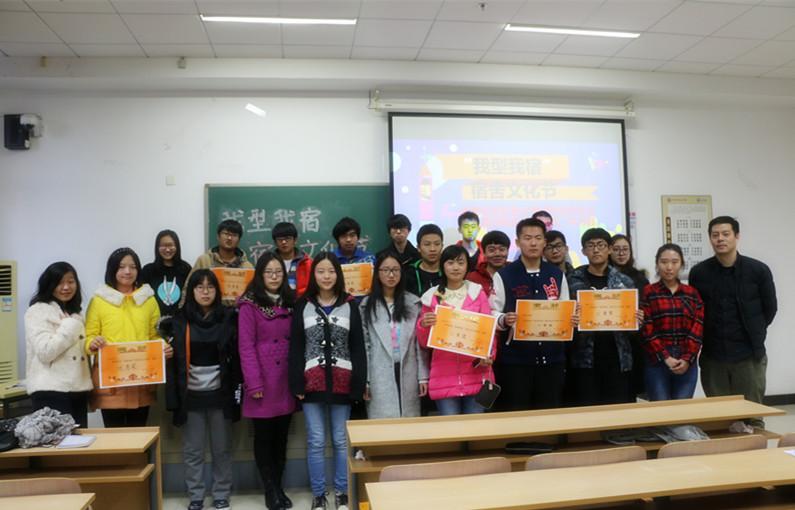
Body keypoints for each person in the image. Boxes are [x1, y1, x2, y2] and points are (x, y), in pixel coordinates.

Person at [288, 252, 366, 510]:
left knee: (341, 441)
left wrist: (358, 384)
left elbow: (358, 347)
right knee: (316, 440)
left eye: (331, 271)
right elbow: (296, 347)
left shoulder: (350, 304)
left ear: (338, 274)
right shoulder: (303, 305)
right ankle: (319, 495)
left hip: (343, 383)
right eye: (321, 271)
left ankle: (342, 493)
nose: (326, 276)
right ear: (314, 275)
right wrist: (296, 383)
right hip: (311, 384)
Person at [689, 216, 777, 427]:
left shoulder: (758, 270)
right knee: (721, 418)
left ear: (737, 236)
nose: (720, 239)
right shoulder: (699, 273)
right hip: (713, 356)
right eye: (715, 235)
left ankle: (755, 448)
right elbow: (695, 311)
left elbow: (770, 309)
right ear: (710, 239)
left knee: (752, 416)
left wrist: (755, 330)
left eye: (725, 234)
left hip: (748, 355)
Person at [167, 269, 240, 510]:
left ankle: (221, 494)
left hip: (221, 393)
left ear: (217, 291)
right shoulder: (180, 320)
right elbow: (172, 358)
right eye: (200, 287)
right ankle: (196, 496)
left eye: (210, 287)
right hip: (191, 395)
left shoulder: (228, 317)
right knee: (193, 450)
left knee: (222, 449)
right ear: (192, 291)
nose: (205, 292)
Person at [490, 219, 571, 411]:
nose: (533, 243)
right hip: (516, 361)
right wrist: (504, 319)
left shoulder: (556, 274)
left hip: (552, 359)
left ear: (544, 242)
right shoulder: (504, 275)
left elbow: (565, 307)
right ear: (518, 242)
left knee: (549, 412)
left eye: (538, 238)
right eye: (527, 238)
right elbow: (491, 312)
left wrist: (571, 319)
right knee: (518, 413)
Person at [238, 253, 297, 510]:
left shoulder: (291, 302)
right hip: (262, 380)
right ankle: (270, 489)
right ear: (260, 275)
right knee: (263, 437)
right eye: (268, 272)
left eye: (278, 272)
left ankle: (279, 486)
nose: (274, 277)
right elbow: (246, 347)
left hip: (286, 380)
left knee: (281, 438)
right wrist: (254, 384)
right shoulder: (249, 305)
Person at [85, 247, 170, 427]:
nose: (127, 271)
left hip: (141, 382)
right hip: (111, 385)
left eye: (133, 267)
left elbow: (154, 335)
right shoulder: (99, 301)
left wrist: (163, 346)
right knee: (115, 437)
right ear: (112, 269)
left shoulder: (148, 300)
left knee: (139, 436)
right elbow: (88, 336)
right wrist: (92, 343)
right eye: (122, 267)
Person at [416, 245, 496, 415]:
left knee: (475, 428)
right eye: (450, 262)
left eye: (460, 262)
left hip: (476, 374)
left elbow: (489, 331)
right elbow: (424, 343)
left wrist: (489, 355)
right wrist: (423, 326)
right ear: (442, 266)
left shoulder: (477, 293)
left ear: (467, 266)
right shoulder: (432, 297)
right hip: (444, 376)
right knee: (450, 428)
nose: (455, 267)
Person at [567, 229, 642, 406]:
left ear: (609, 249)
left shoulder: (624, 281)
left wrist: (637, 320)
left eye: (601, 245)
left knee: (617, 409)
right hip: (584, 357)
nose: (596, 250)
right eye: (590, 246)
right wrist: (570, 319)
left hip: (617, 356)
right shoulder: (572, 280)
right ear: (583, 251)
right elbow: (565, 317)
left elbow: (632, 327)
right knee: (588, 409)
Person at [24, 262, 92, 427]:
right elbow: (45, 352)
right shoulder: (38, 311)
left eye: (71, 281)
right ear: (49, 284)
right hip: (50, 391)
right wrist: (70, 326)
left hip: (77, 389)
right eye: (60, 282)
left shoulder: (77, 314)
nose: (66, 287)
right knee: (57, 442)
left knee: (79, 441)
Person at [360, 252, 427, 418]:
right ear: (377, 273)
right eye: (385, 270)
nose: (391, 275)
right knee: (383, 424)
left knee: (409, 423)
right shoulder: (366, 305)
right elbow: (365, 346)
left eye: (395, 270)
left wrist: (422, 377)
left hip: (409, 369)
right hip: (378, 371)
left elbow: (418, 344)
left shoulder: (413, 303)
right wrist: (365, 380)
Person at [641, 244, 704, 401]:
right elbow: (647, 328)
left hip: (686, 358)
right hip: (657, 359)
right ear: (657, 264)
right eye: (664, 262)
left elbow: (698, 327)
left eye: (674, 262)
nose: (669, 267)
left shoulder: (692, 293)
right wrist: (665, 357)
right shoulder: (648, 292)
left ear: (681, 264)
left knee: (682, 409)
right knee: (660, 408)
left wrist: (687, 358)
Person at [609, 233, 650, 400]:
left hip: (634, 341)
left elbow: (647, 307)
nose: (621, 253)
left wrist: (641, 314)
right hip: (610, 340)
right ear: (609, 251)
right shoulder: (603, 275)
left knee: (631, 391)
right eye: (616, 249)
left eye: (625, 249)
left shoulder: (640, 278)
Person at [189, 219, 254, 306]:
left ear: (239, 239)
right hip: (208, 311)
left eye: (234, 235)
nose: (229, 238)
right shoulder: (204, 260)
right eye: (226, 234)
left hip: (237, 312)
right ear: (218, 236)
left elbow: (253, 295)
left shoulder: (247, 267)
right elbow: (189, 287)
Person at [140, 229, 192, 320]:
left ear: (177, 246)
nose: (167, 249)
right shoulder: (148, 270)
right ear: (157, 247)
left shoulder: (186, 269)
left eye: (171, 245)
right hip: (154, 321)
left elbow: (191, 296)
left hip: (181, 321)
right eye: (163, 245)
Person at [271, 221, 312, 297]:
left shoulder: (306, 263)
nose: (284, 242)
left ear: (295, 240)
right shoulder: (269, 262)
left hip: (301, 302)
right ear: (275, 242)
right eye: (280, 239)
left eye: (287, 238)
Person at [466, 230, 510, 297]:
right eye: (491, 250)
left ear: (508, 251)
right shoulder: (472, 278)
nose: (497, 254)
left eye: (502, 249)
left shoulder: (516, 274)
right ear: (484, 253)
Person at [404, 223, 443, 298]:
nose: (432, 249)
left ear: (442, 246)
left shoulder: (448, 272)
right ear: (418, 247)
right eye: (427, 244)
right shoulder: (408, 274)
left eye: (437, 244)